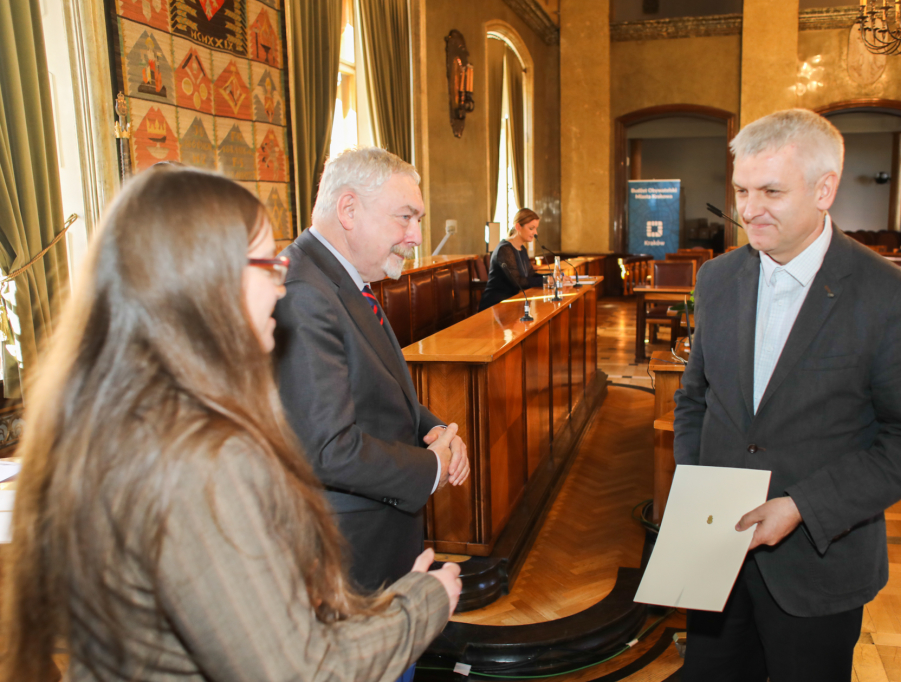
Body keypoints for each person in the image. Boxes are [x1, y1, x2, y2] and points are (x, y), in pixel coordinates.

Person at [0, 165, 462, 682]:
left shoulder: (117, 416)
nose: (282, 288)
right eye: (267, 265)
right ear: (205, 281)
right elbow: (295, 671)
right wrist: (420, 603)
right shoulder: (202, 452)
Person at [674, 109, 901, 681]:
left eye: (771, 190)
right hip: (713, 557)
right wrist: (699, 496)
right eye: (742, 190)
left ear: (825, 189)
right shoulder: (717, 279)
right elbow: (695, 399)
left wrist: (802, 507)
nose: (749, 210)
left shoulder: (892, 299)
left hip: (819, 568)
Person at [274, 147, 470, 595]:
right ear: (348, 209)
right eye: (405, 217)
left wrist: (439, 430)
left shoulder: (341, 278)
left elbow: (376, 390)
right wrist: (431, 467)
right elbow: (326, 449)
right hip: (348, 556)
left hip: (377, 539)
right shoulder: (304, 291)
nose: (416, 235)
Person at [479, 208, 562, 311]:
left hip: (515, 302)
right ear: (518, 227)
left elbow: (531, 275)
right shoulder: (505, 249)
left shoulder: (521, 248)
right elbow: (518, 281)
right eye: (531, 228)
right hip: (496, 305)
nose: (535, 233)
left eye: (536, 228)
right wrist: (547, 280)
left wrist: (556, 277)